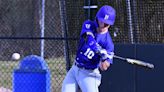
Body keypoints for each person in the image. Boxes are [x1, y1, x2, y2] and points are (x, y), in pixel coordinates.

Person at [62, 5, 116, 92]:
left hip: (89, 74)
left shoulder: (108, 44)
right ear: (97, 18)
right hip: (75, 69)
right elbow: (88, 38)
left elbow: (104, 67)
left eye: (106, 23)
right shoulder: (88, 24)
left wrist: (104, 58)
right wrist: (98, 49)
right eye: (101, 21)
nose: (103, 25)